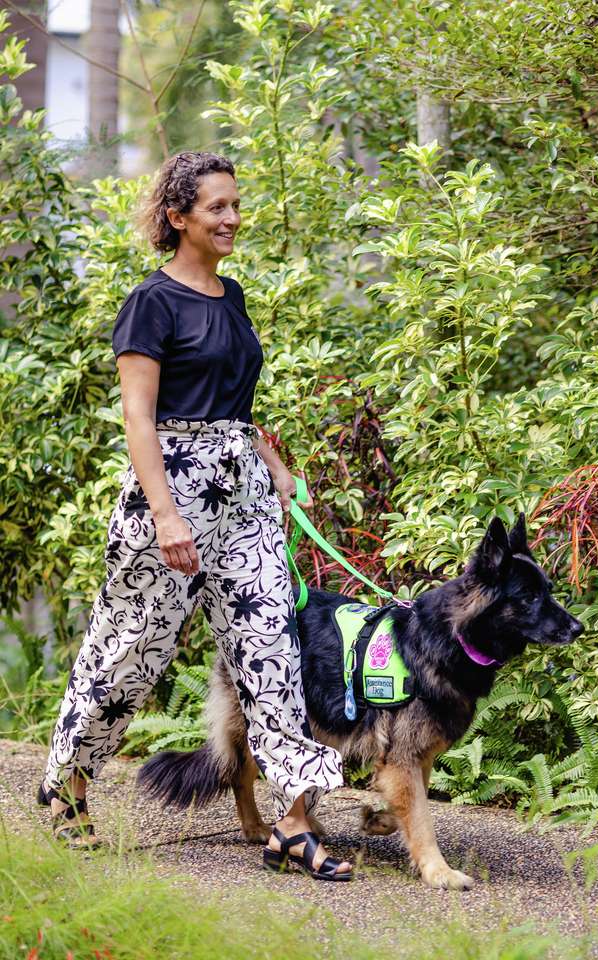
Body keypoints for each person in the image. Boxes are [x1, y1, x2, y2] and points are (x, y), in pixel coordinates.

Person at [38, 151, 352, 881]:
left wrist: (273, 465)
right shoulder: (150, 303)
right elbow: (139, 418)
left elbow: (233, 409)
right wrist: (166, 515)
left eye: (235, 204)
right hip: (170, 495)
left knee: (272, 651)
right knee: (130, 653)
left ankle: (293, 823)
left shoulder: (231, 295)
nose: (233, 217)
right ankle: (67, 787)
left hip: (244, 498)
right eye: (217, 207)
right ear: (178, 217)